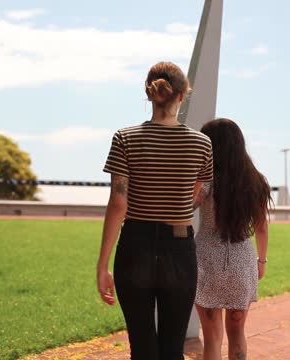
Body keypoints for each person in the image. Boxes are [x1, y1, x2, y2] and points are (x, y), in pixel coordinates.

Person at [96, 61, 214, 360]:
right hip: (179, 249)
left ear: (149, 94)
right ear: (181, 95)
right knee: (173, 349)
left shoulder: (125, 138)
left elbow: (118, 204)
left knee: (143, 347)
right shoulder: (201, 144)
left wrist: (102, 264)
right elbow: (196, 192)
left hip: (135, 246)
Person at [195, 118, 271, 360]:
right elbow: (261, 228)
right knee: (237, 331)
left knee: (212, 337)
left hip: (205, 260)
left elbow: (184, 207)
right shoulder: (255, 180)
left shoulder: (206, 179)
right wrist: (262, 261)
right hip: (242, 261)